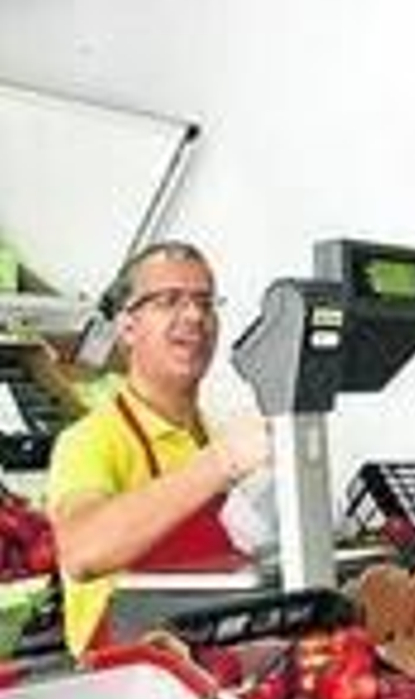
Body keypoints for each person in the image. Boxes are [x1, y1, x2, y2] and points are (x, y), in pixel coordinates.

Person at [47, 240, 271, 654]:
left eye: (205, 302)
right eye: (169, 301)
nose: (194, 316)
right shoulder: (90, 441)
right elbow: (81, 550)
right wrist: (218, 465)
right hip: (126, 687)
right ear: (128, 326)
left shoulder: (215, 431)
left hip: (211, 668)